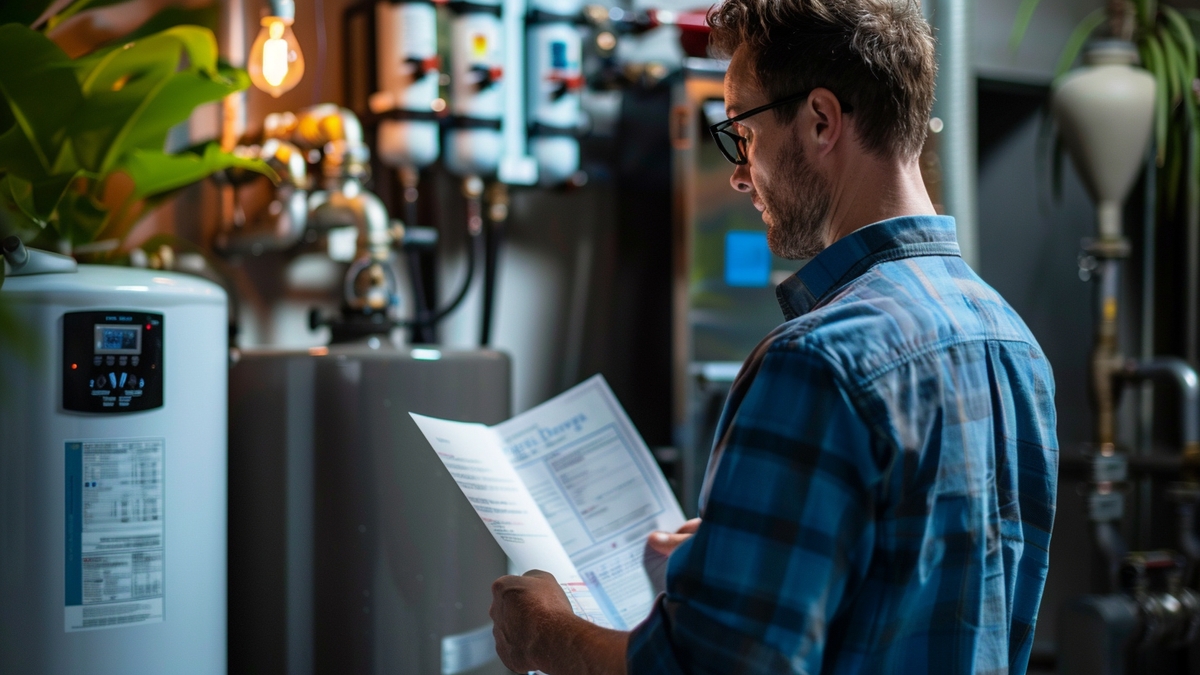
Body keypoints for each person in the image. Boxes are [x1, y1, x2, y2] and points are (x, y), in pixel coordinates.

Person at [489, 0, 1058, 672]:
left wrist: (546, 634)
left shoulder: (818, 362)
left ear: (820, 120)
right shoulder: (1012, 342)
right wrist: (745, 557)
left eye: (742, 132)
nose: (737, 171)